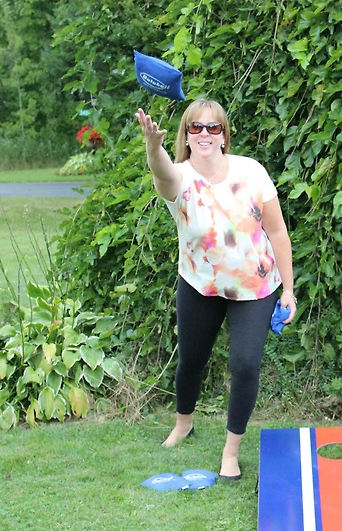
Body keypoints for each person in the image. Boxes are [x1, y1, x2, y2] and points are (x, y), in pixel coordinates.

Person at [135, 99, 296, 480]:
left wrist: (287, 290)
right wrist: (152, 146)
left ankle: (230, 450)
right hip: (199, 284)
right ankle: (183, 423)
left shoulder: (251, 171)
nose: (205, 134)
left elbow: (277, 231)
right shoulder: (179, 176)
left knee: (245, 364)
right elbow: (161, 174)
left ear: (224, 135)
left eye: (213, 128)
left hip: (255, 286)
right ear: (186, 136)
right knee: (191, 358)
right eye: (196, 128)